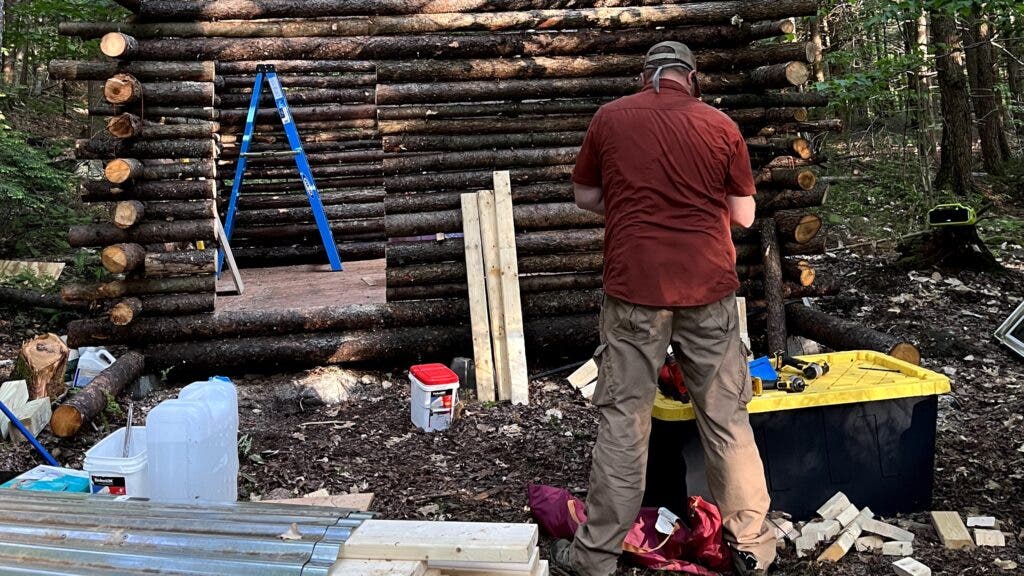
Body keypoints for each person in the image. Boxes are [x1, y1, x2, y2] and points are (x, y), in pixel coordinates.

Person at [548, 41, 776, 576]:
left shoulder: (610, 118)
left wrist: (632, 201)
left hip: (634, 289)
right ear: (691, 78)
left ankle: (595, 557)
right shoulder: (720, 125)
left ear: (644, 75)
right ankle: (752, 548)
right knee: (726, 419)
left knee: (624, 422)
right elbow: (743, 216)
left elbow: (585, 196)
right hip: (707, 287)